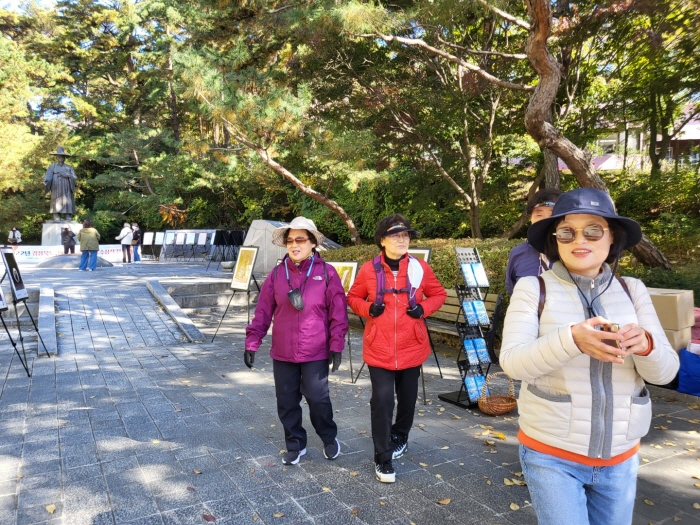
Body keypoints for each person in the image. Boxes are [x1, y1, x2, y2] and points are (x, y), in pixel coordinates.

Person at [500, 188, 679, 525]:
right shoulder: (533, 288)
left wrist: (646, 345)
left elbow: (666, 372)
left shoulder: (633, 290)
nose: (579, 240)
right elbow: (512, 362)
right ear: (555, 239)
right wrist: (572, 340)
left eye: (594, 230)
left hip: (621, 456)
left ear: (613, 237)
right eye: (567, 232)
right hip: (551, 453)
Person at [347, 214, 447, 483]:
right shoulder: (369, 270)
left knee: (407, 399)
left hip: (411, 345)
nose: (402, 240)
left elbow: (439, 294)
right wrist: (368, 308)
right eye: (395, 235)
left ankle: (400, 435)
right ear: (382, 240)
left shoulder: (419, 268)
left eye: (405, 235)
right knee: (381, 401)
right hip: (378, 348)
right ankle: (383, 457)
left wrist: (422, 309)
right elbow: (353, 297)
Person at [244, 217, 348, 466]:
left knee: (318, 398)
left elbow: (338, 313)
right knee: (287, 401)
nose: (294, 245)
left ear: (312, 243)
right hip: (283, 351)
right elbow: (263, 311)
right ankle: (295, 443)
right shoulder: (277, 274)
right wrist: (252, 341)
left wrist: (336, 345)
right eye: (290, 240)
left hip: (316, 350)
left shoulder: (326, 273)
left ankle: (328, 437)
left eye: (300, 239)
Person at [505, 187, 561, 295]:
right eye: (539, 215)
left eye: (552, 215)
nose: (545, 220)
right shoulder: (517, 253)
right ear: (530, 218)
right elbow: (512, 290)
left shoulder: (572, 251)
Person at [44, 146, 77, 221]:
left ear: (64, 158)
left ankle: (68, 214)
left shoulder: (69, 167)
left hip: (66, 186)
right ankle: (56, 215)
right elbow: (48, 176)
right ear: (56, 157)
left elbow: (74, 177)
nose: (61, 158)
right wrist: (46, 181)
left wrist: (67, 175)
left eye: (62, 157)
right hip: (56, 185)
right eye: (59, 156)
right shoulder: (52, 167)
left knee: (67, 198)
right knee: (56, 198)